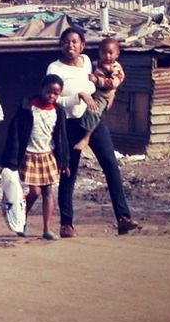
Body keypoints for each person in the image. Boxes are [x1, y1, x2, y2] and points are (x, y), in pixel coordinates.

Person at [49, 28, 140, 237]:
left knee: (111, 166)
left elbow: (105, 84)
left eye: (75, 42)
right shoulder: (54, 68)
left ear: (82, 45)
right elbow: (54, 99)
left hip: (94, 120)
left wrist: (110, 96)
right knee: (68, 173)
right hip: (70, 123)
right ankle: (66, 224)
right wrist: (78, 97)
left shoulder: (89, 63)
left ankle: (123, 218)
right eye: (66, 41)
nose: (70, 45)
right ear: (61, 45)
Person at [0, 74, 68, 240]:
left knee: (48, 192)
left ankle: (47, 229)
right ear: (41, 89)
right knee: (35, 192)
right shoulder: (27, 107)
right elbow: (15, 133)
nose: (51, 95)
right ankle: (21, 219)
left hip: (47, 155)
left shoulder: (58, 111)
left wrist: (64, 161)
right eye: (48, 91)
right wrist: (11, 159)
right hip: (29, 155)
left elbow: (62, 137)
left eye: (55, 93)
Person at [73, 37, 124, 154]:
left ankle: (86, 137)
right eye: (104, 53)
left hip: (104, 95)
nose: (107, 56)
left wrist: (97, 80)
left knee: (93, 112)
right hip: (94, 92)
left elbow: (114, 83)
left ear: (117, 54)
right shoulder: (96, 63)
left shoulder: (116, 68)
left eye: (111, 53)